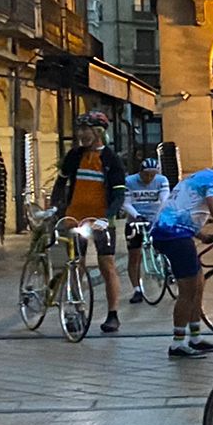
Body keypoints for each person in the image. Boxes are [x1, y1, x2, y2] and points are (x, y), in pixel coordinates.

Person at [150, 153, 213, 357]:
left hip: (172, 231)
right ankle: (177, 343)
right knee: (188, 290)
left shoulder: (201, 176)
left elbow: (183, 210)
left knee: (198, 284)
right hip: (174, 235)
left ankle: (195, 337)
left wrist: (203, 235)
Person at [49, 111, 128, 333]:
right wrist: (56, 208)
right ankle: (77, 309)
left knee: (107, 265)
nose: (82, 134)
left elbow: (119, 193)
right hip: (74, 217)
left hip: (101, 221)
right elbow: (61, 182)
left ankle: (113, 314)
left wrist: (107, 217)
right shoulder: (74, 155)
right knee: (76, 265)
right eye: (80, 130)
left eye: (87, 130)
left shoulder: (111, 160)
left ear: (99, 132)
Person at [122, 154, 170, 303]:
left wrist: (157, 217)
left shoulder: (161, 181)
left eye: (152, 175)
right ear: (140, 172)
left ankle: (169, 267)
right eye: (146, 174)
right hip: (136, 218)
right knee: (134, 255)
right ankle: (137, 289)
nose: (149, 178)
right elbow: (126, 202)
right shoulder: (129, 181)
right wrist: (136, 216)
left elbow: (164, 199)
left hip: (154, 217)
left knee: (168, 244)